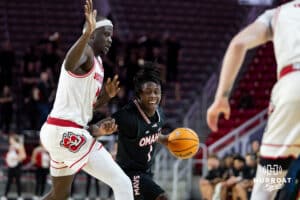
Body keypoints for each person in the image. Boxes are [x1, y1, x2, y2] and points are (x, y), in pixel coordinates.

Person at [39, 0, 133, 199]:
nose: (110, 40)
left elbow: (89, 106)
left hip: (58, 132)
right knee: (123, 183)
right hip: (66, 131)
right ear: (92, 34)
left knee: (59, 195)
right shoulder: (86, 53)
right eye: (105, 34)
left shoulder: (98, 63)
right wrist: (85, 34)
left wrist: (106, 97)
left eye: (111, 36)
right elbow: (69, 65)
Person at [207, 1, 300, 199]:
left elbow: (238, 44)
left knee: (267, 187)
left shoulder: (279, 14)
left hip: (293, 88)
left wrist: (221, 97)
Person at [112, 63, 169, 200]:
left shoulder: (160, 114)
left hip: (146, 172)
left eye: (157, 92)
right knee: (162, 197)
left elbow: (150, 133)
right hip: (128, 173)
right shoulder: (128, 116)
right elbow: (98, 127)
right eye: (148, 92)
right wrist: (100, 130)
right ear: (139, 95)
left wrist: (166, 140)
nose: (153, 96)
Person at [1, 134, 27, 200]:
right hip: (11, 166)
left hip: (17, 166)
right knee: (9, 181)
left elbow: (24, 156)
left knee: (18, 181)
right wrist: (8, 159)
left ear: (14, 139)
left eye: (10, 139)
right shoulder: (11, 146)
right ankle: (5, 196)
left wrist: (15, 159)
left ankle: (19, 196)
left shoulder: (20, 146)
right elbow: (10, 155)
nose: (9, 140)